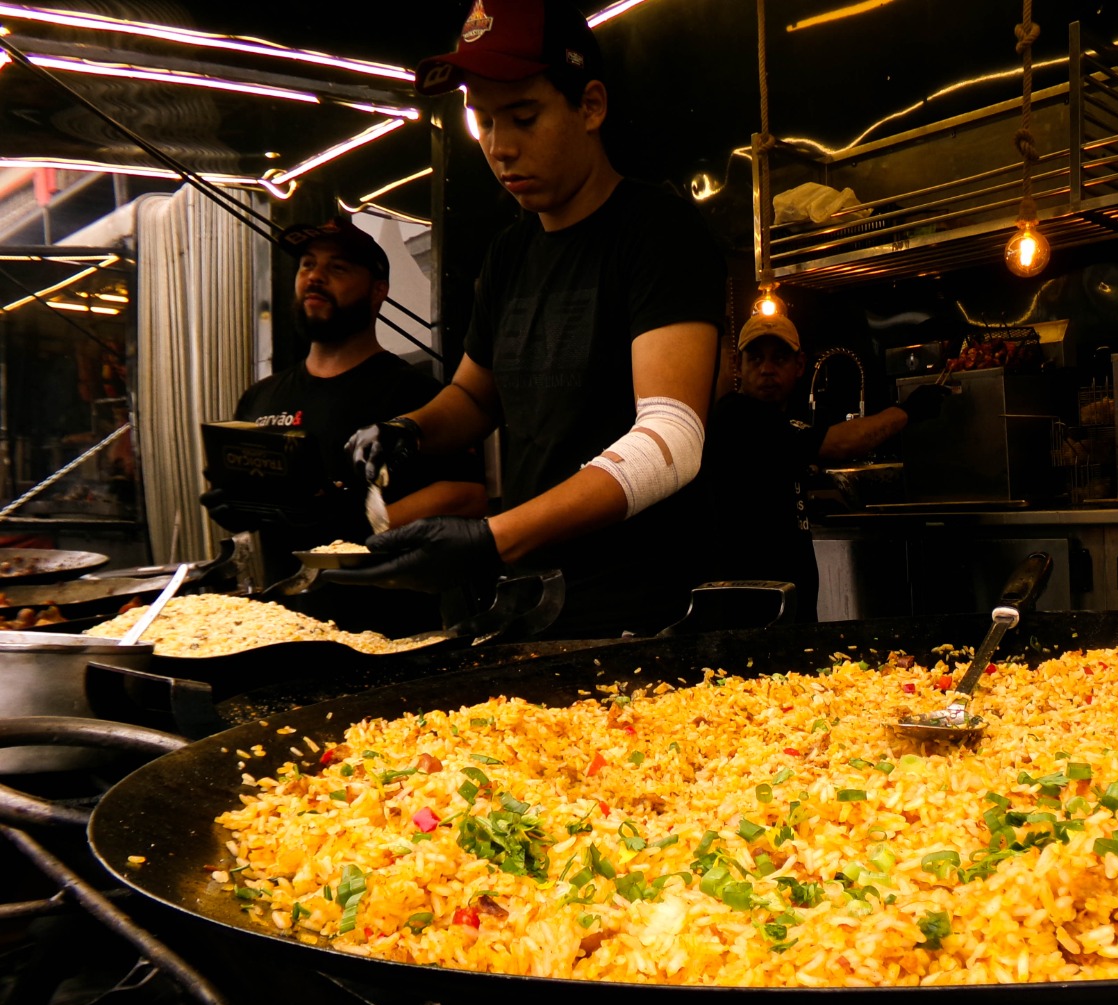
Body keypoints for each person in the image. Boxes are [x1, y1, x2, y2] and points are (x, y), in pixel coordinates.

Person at [331, 0, 725, 640]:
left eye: (523, 116)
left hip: (646, 612)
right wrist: (406, 431)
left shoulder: (656, 230)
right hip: (536, 600)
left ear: (590, 106)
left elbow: (674, 438)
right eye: (482, 121)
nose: (500, 147)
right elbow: (472, 395)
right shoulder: (511, 252)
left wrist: (492, 537)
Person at [201, 217, 486, 630]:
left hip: (388, 629)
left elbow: (467, 495)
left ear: (377, 291)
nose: (315, 276)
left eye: (337, 268)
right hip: (280, 626)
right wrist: (242, 509)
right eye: (307, 265)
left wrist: (359, 523)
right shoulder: (260, 397)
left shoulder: (414, 394)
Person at [703, 313, 947, 622]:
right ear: (738, 366)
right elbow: (839, 444)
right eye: (755, 359)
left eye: (779, 358)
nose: (766, 369)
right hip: (752, 611)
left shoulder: (776, 423)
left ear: (800, 365)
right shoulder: (737, 416)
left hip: (784, 606)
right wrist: (907, 411)